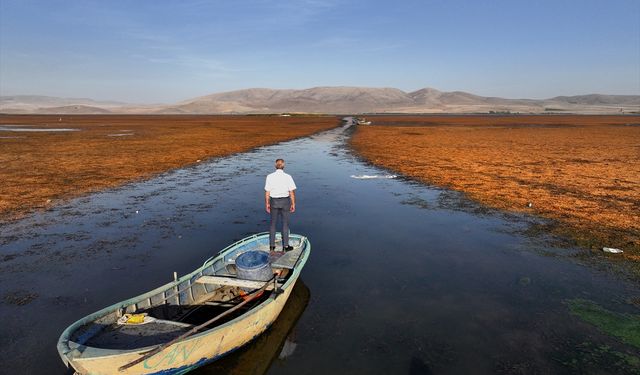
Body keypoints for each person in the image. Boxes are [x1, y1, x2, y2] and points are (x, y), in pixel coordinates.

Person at [264, 158, 296, 252]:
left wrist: (267, 204)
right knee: (285, 224)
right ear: (283, 166)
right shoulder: (288, 176)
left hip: (274, 201)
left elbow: (267, 193)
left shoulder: (269, 176)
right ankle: (286, 246)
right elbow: (291, 192)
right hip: (285, 202)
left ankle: (272, 246)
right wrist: (293, 204)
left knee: (273, 224)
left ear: (275, 165)